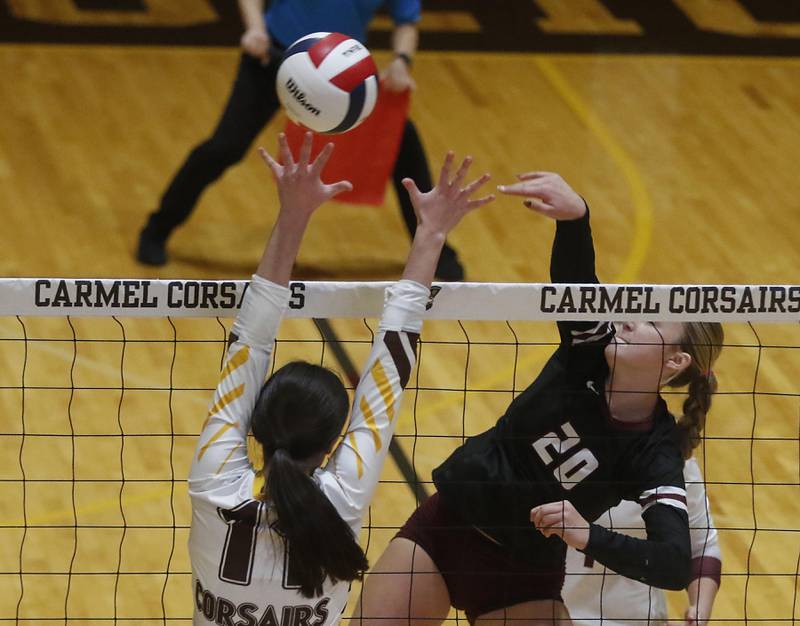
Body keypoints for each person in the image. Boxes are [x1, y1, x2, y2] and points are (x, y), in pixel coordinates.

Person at [352, 172, 725, 626]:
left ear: (674, 362)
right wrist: (575, 220)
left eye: (650, 323)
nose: (627, 320)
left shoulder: (655, 452)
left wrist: (587, 535)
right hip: (445, 531)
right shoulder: (587, 351)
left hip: (524, 579)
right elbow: (576, 282)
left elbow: (671, 563)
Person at [187, 131, 493, 625]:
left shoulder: (214, 482)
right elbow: (387, 372)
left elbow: (249, 342)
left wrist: (292, 213)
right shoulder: (341, 496)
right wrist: (431, 234)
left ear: (258, 421)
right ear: (332, 442)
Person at [138, 0, 466, 281]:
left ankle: (434, 248)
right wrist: (255, 29)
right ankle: (158, 227)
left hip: (339, 78)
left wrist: (401, 61)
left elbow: (407, 22)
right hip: (274, 58)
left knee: (401, 141)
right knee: (225, 147)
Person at [563, 456, 722, 626]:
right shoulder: (560, 447)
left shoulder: (673, 459)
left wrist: (699, 611)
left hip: (640, 619)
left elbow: (702, 547)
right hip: (553, 614)